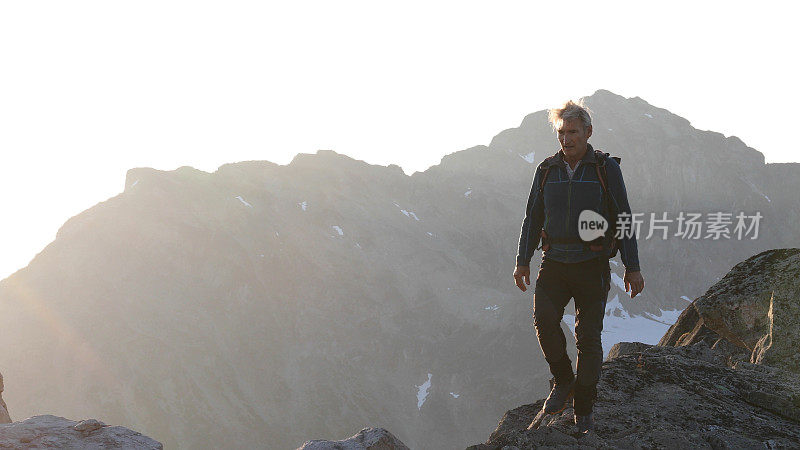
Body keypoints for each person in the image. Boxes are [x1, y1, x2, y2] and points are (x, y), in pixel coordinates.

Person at [513, 99, 645, 434]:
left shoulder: (604, 169)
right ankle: (562, 381)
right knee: (544, 320)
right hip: (554, 263)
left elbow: (624, 217)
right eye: (562, 132)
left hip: (592, 266)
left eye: (573, 132)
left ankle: (583, 407)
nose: (566, 139)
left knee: (588, 338)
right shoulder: (546, 170)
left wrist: (632, 266)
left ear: (588, 132)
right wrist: (522, 260)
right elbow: (533, 217)